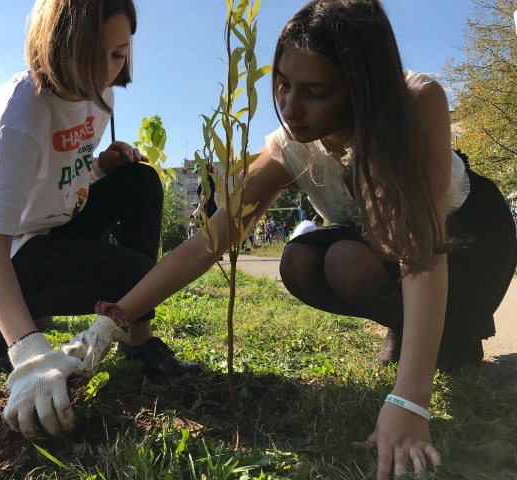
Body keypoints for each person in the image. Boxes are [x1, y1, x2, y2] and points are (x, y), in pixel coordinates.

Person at [66, 1, 516, 477]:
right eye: (281, 83)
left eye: (316, 91)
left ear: (361, 87)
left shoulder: (414, 102)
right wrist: (109, 324)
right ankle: (415, 330)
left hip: (468, 241)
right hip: (385, 249)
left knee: (352, 261)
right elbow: (204, 244)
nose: (290, 107)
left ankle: (454, 332)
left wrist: (409, 401)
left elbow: (421, 252)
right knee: (304, 260)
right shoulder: (288, 146)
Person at [0, 0, 199, 440]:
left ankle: (136, 341)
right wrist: (31, 355)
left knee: (140, 181)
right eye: (90, 56)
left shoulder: (101, 95)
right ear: (56, 46)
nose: (104, 73)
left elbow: (60, 172)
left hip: (47, 226)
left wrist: (99, 168)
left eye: (118, 55)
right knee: (136, 277)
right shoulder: (17, 120)